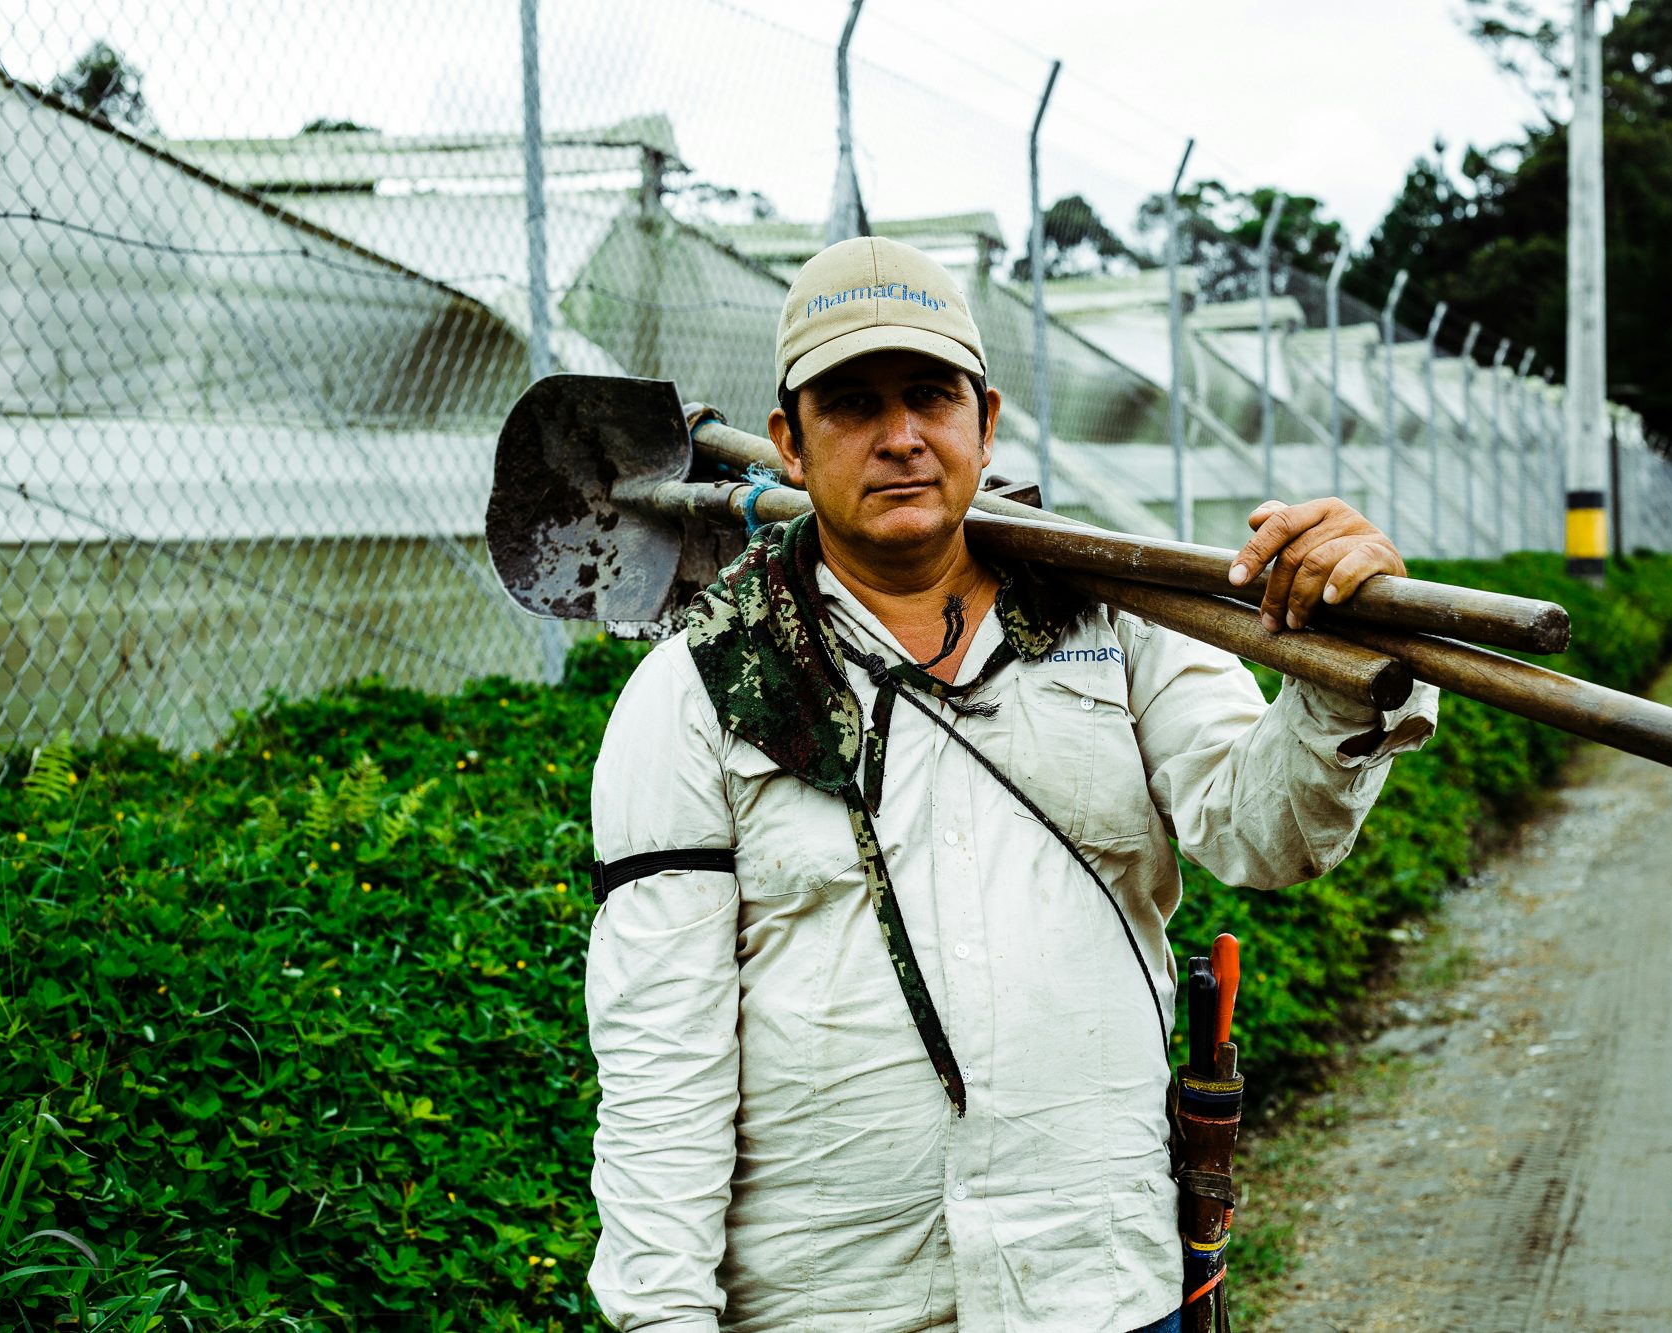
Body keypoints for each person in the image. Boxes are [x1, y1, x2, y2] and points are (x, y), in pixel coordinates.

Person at [583, 236, 1438, 1332]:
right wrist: (661, 1316)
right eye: (851, 404)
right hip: (828, 1303)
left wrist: (1341, 672)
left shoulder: (1119, 617)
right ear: (789, 446)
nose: (899, 436)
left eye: (928, 396)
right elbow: (664, 1054)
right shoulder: (700, 684)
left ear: (983, 421)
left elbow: (1260, 835)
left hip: (1093, 1289)